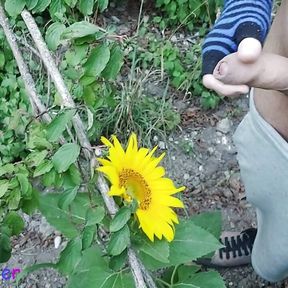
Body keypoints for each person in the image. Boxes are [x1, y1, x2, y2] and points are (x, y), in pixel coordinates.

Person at [199, 0, 288, 282]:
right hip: (272, 130)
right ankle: (262, 242)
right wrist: (244, 10)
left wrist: (280, 76)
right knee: (275, 220)